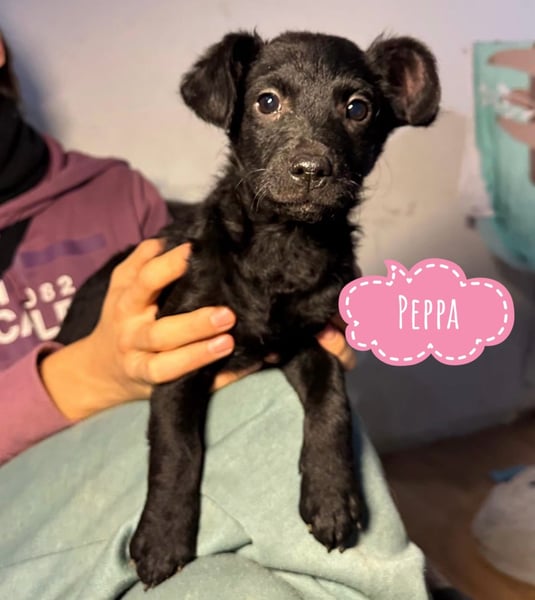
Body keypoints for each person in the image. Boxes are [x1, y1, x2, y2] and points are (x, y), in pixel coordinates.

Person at [0, 29, 457, 600]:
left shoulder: (120, 194)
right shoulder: (203, 254)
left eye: (356, 109)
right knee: (274, 405)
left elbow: (298, 347)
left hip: (167, 479)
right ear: (234, 113)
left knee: (234, 584)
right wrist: (89, 378)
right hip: (47, 481)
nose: (311, 155)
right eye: (269, 102)